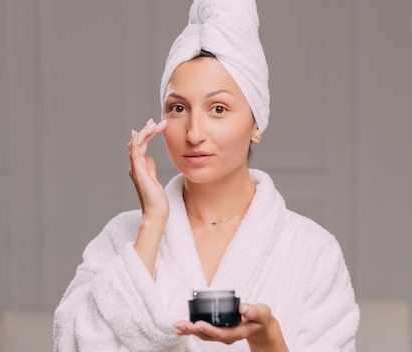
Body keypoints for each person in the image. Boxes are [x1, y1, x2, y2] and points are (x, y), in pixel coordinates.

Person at [53, 0, 359, 351]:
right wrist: (153, 223)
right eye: (178, 108)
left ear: (256, 122)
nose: (194, 132)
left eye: (218, 108)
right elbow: (74, 343)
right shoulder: (120, 238)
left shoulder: (311, 251)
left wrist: (266, 336)